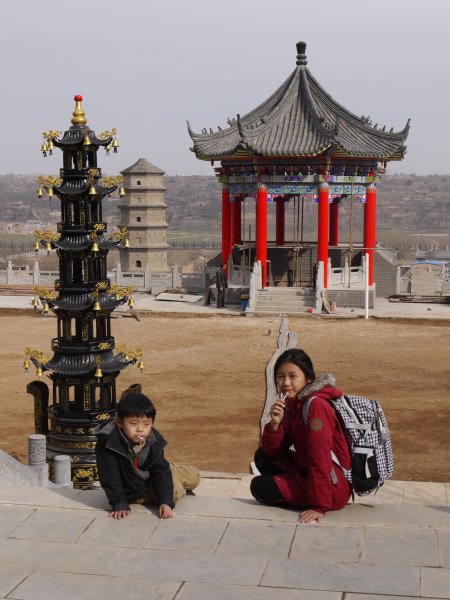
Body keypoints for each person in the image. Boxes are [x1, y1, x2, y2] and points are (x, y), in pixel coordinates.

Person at [250, 349, 351, 523]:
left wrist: (318, 506)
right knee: (262, 457)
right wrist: (275, 425)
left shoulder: (316, 406)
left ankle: (306, 494)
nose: (286, 383)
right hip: (306, 470)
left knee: (259, 487)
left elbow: (320, 457)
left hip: (333, 486)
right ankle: (295, 486)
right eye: (280, 376)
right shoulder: (294, 405)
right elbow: (272, 451)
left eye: (293, 376)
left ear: (308, 379)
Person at [95, 391, 200, 520]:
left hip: (149, 471)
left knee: (194, 476)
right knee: (175, 490)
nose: (140, 429)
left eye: (146, 424)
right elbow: (109, 476)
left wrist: (164, 501)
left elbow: (161, 470)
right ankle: (180, 489)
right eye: (133, 424)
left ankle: (172, 472)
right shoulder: (108, 442)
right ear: (119, 422)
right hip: (135, 488)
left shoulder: (152, 438)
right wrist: (119, 502)